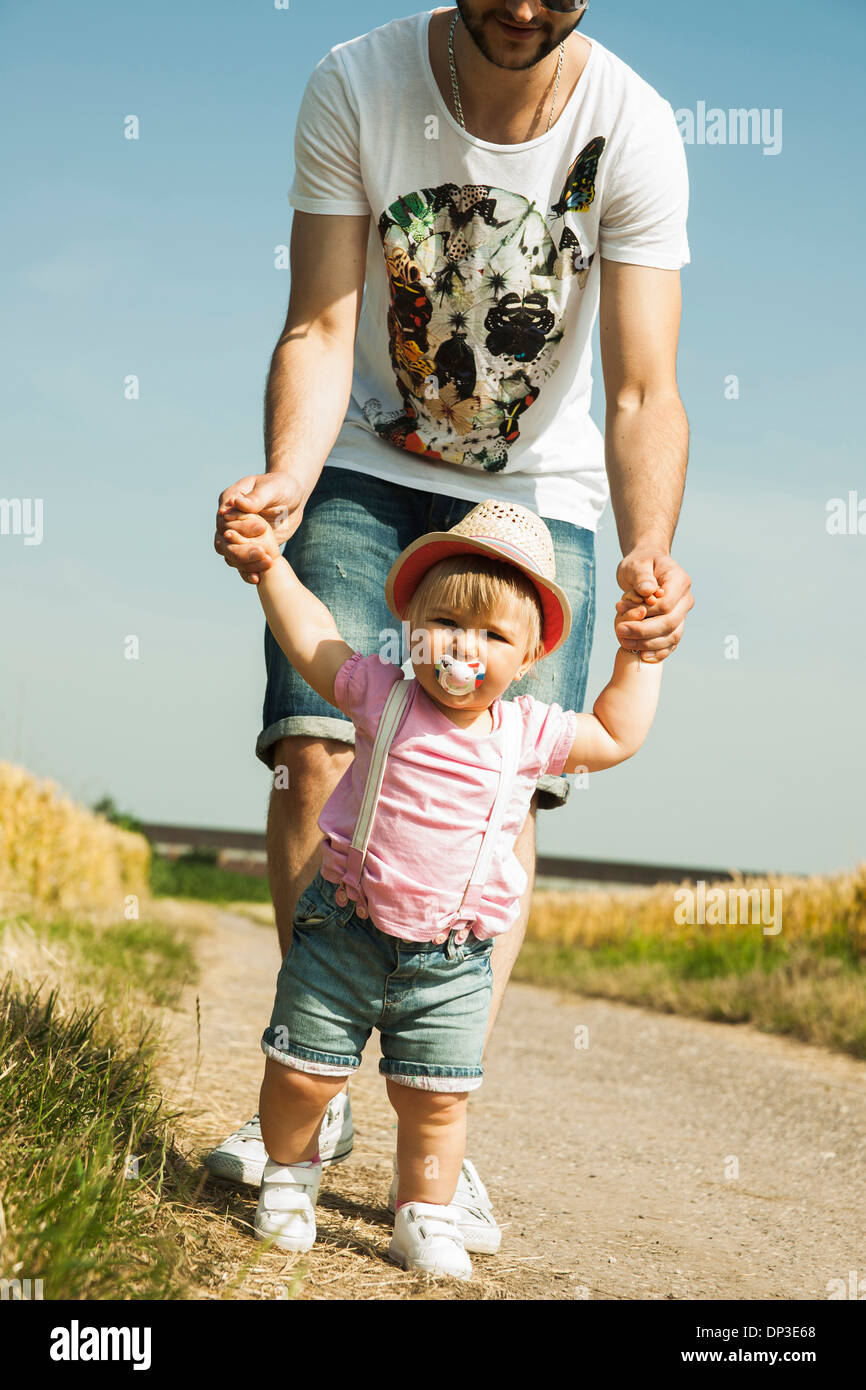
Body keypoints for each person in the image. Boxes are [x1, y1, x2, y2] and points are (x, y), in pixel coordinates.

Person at [208, 0, 695, 1251]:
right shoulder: (354, 83)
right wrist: (283, 477)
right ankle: (310, 1089)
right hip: (367, 456)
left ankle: (440, 1122)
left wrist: (647, 552)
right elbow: (320, 323)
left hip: (539, 494)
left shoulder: (631, 127)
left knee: (498, 796)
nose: (522, 7)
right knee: (319, 741)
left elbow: (642, 388)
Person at [221, 496, 664, 1278]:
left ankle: (424, 1214)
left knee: (435, 1101)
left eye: (494, 635)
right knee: (301, 1073)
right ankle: (290, 1180)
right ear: (412, 631)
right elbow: (313, 640)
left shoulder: (528, 732)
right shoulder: (380, 692)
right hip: (345, 934)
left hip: (453, 964)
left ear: (527, 658)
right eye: (449, 624)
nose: (467, 648)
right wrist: (269, 569)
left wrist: (639, 659)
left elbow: (618, 735)